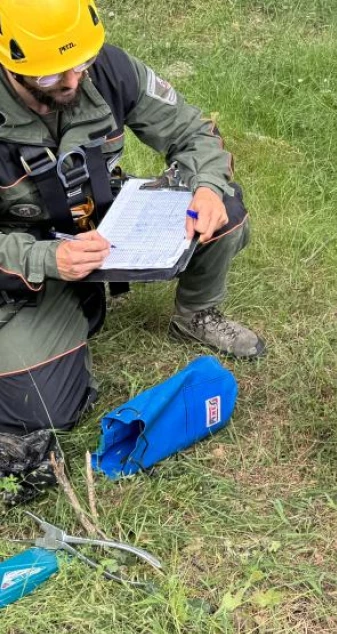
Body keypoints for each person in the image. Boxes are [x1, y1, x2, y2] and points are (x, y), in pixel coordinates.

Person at [0, 0, 265, 504]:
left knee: (222, 207)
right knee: (42, 408)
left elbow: (192, 131)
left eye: (79, 63)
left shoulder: (108, 69)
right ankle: (69, 313)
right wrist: (44, 261)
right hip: (28, 257)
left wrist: (206, 185)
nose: (74, 81)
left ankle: (196, 313)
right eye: (55, 74)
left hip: (105, 220)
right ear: (12, 63)